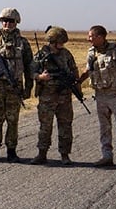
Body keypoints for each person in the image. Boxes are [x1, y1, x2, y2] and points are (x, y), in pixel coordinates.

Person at [0, 7, 34, 162]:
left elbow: (29, 66)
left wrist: (28, 88)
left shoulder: (23, 43)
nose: (7, 24)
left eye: (11, 21)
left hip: (15, 86)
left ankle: (11, 150)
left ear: (16, 22)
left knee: (13, 120)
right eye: (4, 20)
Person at [79, 25, 116, 169]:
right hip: (100, 95)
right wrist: (78, 81)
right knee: (104, 127)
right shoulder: (91, 53)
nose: (88, 39)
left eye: (91, 36)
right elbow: (88, 70)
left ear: (100, 37)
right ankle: (107, 156)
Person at [30, 26, 79, 165]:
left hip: (64, 96)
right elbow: (31, 72)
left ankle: (65, 155)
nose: (62, 45)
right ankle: (42, 153)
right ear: (53, 41)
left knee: (65, 125)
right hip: (47, 97)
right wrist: (40, 77)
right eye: (60, 42)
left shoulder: (66, 54)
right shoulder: (41, 55)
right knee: (45, 127)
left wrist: (75, 83)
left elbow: (74, 70)